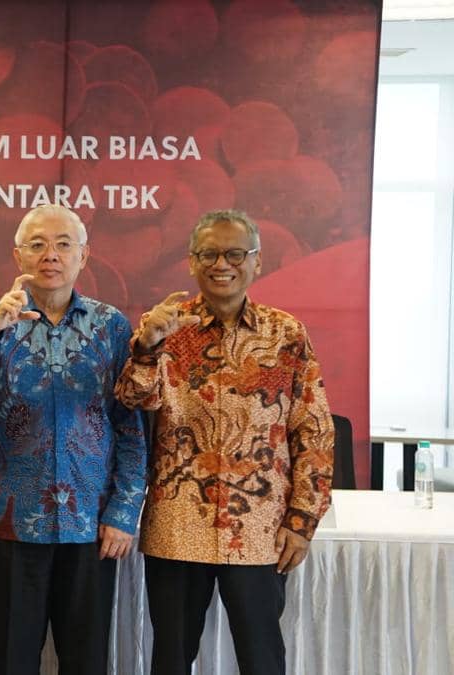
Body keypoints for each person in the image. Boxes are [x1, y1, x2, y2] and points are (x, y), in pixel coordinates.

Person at [114, 209, 334, 675]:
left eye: (235, 254)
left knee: (262, 657)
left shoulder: (286, 334)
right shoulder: (165, 327)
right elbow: (132, 399)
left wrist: (302, 520)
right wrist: (147, 347)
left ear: (257, 261)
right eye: (209, 254)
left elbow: (313, 430)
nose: (222, 264)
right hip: (178, 525)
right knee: (171, 659)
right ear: (192, 262)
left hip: (259, 528)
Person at [0, 205, 146, 675]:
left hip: (89, 525)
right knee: (13, 659)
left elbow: (130, 425)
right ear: (18, 256)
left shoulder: (111, 326)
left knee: (86, 661)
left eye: (63, 244)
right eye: (37, 245)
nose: (50, 255)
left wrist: (123, 512)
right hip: (8, 522)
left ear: (83, 256)